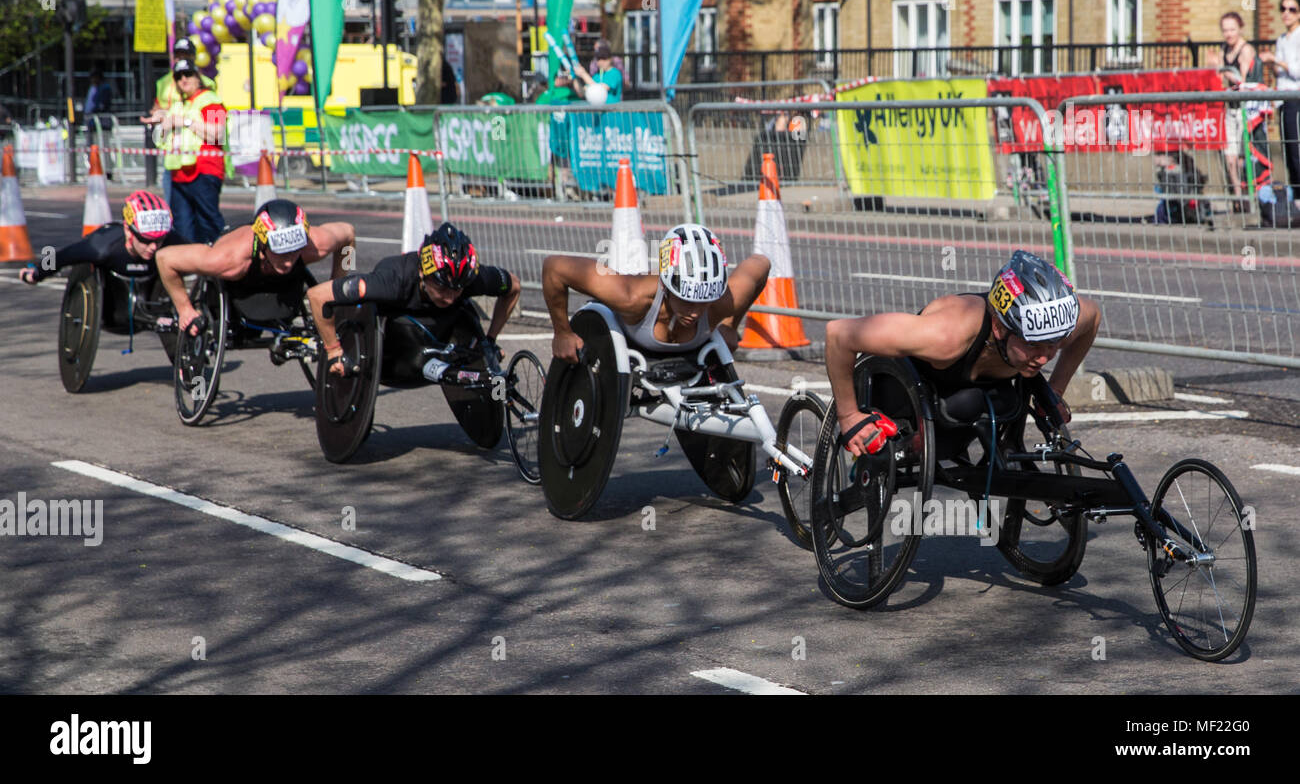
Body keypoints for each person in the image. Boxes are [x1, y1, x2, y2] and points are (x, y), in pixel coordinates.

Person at [825, 250, 1100, 457]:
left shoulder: (1053, 329)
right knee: (959, 415)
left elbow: (1093, 316)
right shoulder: (946, 335)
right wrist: (849, 416)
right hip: (898, 394)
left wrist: (1056, 390)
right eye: (1033, 345)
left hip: (971, 396)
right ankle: (908, 449)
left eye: (1052, 344)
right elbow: (839, 334)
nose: (1044, 357)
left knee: (992, 402)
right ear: (998, 327)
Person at [308, 222, 521, 379]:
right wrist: (333, 350)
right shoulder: (391, 282)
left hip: (441, 332)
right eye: (442, 287)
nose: (450, 296)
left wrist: (491, 340)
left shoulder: (472, 278)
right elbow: (317, 295)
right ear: (422, 272)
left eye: (458, 289)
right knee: (343, 283)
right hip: (394, 344)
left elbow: (514, 287)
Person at [543, 223, 770, 363]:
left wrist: (730, 325)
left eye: (703, 302)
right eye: (686, 300)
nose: (694, 312)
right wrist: (562, 332)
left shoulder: (723, 302)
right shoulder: (631, 296)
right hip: (631, 340)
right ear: (665, 286)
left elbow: (761, 264)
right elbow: (554, 267)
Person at [157, 199, 355, 337]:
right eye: (281, 252)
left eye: (294, 251)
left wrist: (336, 283)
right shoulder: (227, 259)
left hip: (286, 290)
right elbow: (165, 258)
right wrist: (184, 309)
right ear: (262, 245)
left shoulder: (315, 244)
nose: (288, 261)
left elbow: (348, 234)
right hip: (241, 289)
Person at [19, 191, 180, 290]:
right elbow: (62, 255)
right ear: (128, 231)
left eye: (159, 240)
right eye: (146, 240)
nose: (153, 247)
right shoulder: (102, 247)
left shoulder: (170, 241)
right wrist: (36, 274)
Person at [154, 59, 227, 243]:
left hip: (203, 171)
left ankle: (217, 267)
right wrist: (161, 124)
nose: (183, 80)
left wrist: (186, 122)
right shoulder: (179, 105)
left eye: (187, 75)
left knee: (209, 226)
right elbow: (160, 140)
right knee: (183, 231)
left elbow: (218, 134)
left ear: (198, 77)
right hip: (179, 175)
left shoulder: (210, 100)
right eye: (178, 77)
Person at [140, 38, 215, 206]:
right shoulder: (164, 83)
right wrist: (160, 117)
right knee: (175, 207)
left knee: (202, 210)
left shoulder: (206, 83)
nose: (181, 59)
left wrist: (181, 120)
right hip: (174, 154)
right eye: (179, 55)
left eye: (186, 55)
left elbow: (212, 119)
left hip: (198, 155)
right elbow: (157, 108)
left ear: (194, 57)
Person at [1214, 12, 1263, 206]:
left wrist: (1224, 71)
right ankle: (1238, 198)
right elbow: (1219, 79)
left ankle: (1250, 195)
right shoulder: (1223, 49)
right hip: (1230, 108)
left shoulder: (1246, 50)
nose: (1228, 34)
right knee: (1230, 157)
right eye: (1225, 30)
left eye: (1232, 29)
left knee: (1244, 157)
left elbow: (1241, 81)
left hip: (1247, 109)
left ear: (1240, 28)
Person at [1260, 0, 1300, 199]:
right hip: (1283, 100)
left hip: (1296, 99)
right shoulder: (1281, 39)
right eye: (1283, 8)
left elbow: (1297, 71)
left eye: (1292, 9)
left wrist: (1276, 60)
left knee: (1296, 150)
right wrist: (1271, 63)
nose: (1286, 13)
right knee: (1287, 149)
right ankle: (1296, 195)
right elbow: (1280, 73)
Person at [572, 39, 623, 104]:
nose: (601, 62)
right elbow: (582, 93)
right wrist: (574, 77)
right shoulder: (596, 76)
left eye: (604, 58)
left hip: (612, 112)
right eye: (598, 59)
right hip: (597, 112)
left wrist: (583, 74)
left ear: (610, 59)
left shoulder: (615, 73)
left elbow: (600, 90)